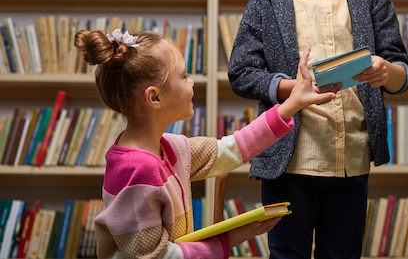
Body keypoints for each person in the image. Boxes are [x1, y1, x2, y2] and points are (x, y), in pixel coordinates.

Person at [227, 0, 408, 259]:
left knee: (342, 253)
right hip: (289, 162)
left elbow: (401, 69)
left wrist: (386, 72)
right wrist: (288, 89)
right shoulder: (266, 0)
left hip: (351, 162)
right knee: (287, 254)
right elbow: (241, 72)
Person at [74, 28, 336, 259]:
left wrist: (292, 104)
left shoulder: (169, 148)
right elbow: (153, 257)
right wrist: (229, 240)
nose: (192, 82)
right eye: (184, 75)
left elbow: (231, 149)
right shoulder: (136, 171)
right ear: (154, 98)